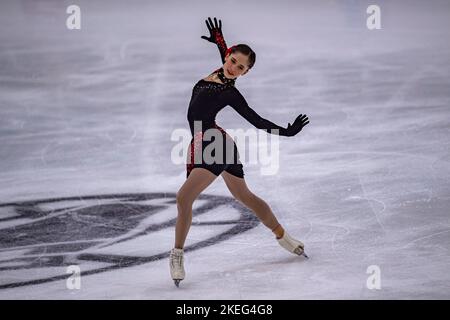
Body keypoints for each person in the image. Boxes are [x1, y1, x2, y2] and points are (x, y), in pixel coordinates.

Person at [170, 17, 310, 287]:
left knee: (184, 196)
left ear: (246, 73)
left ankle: (177, 254)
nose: (234, 67)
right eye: (233, 60)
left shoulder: (230, 93)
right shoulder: (225, 65)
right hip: (209, 141)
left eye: (241, 67)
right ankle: (284, 237)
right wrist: (220, 39)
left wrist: (287, 131)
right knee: (244, 195)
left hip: (215, 146)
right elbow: (225, 53)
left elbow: (257, 121)